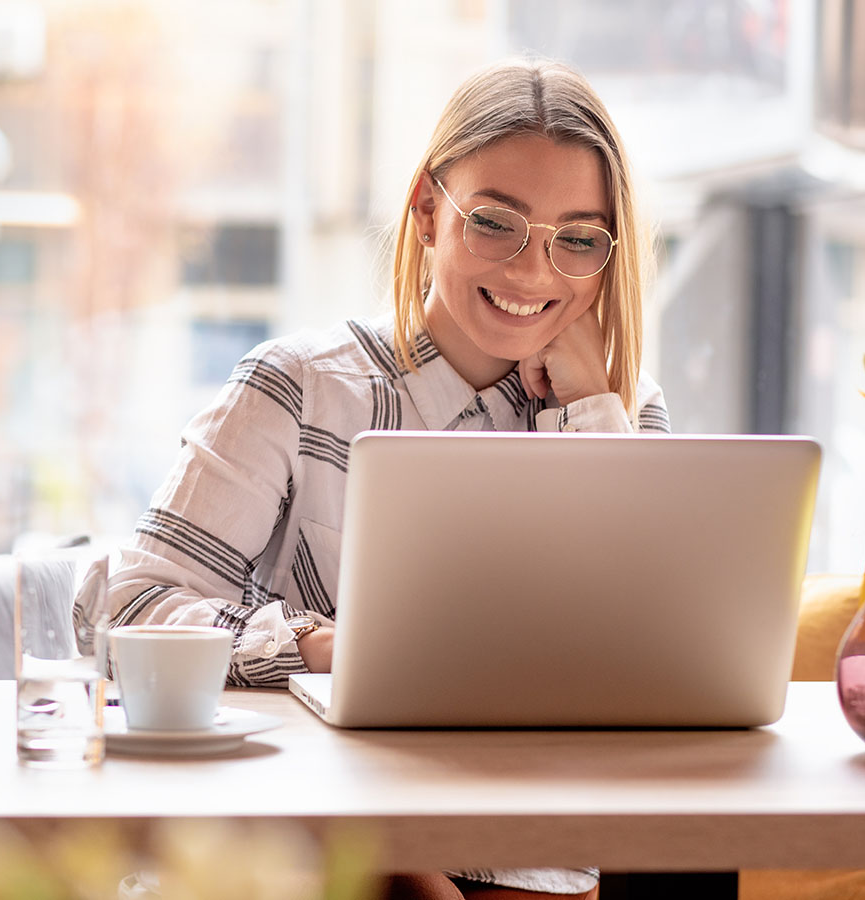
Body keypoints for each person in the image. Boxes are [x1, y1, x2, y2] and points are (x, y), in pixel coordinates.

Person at [105, 58, 671, 900]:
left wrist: (589, 402)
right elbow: (129, 609)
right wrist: (321, 646)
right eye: (496, 223)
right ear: (427, 210)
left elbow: (650, 665)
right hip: (326, 850)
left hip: (536, 864)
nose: (531, 273)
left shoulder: (622, 411)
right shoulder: (300, 385)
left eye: (577, 239)